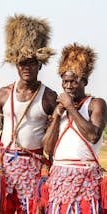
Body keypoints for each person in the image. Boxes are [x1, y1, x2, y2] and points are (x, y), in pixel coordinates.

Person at [0, 14, 57, 213]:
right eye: (22, 63)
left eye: (31, 62)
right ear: (16, 65)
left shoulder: (49, 97)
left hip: (34, 167)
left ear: (40, 64)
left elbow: (54, 139)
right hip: (4, 166)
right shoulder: (3, 95)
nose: (27, 67)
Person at [43, 43, 107, 213]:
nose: (69, 86)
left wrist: (71, 107)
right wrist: (57, 116)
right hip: (59, 181)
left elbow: (93, 135)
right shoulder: (60, 110)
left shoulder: (95, 104)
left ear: (85, 81)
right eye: (65, 82)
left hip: (86, 179)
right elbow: (48, 148)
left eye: (73, 81)